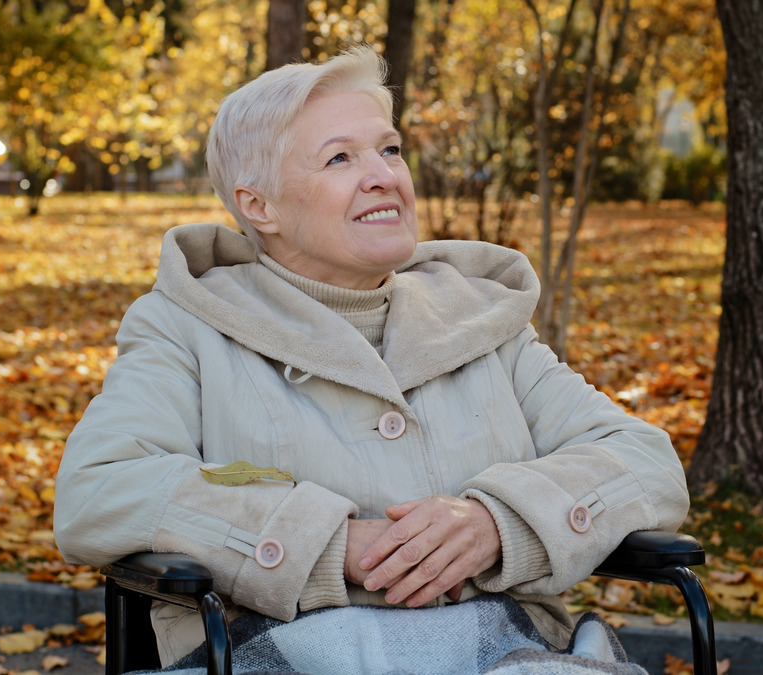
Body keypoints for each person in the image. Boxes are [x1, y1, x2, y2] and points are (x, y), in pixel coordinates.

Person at [54, 46, 689, 674]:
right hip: (273, 650)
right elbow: (98, 488)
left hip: (502, 647)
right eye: (339, 158)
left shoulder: (480, 321)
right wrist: (324, 544)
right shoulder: (185, 326)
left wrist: (500, 522)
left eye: (389, 149)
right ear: (258, 206)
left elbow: (644, 462)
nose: (385, 174)